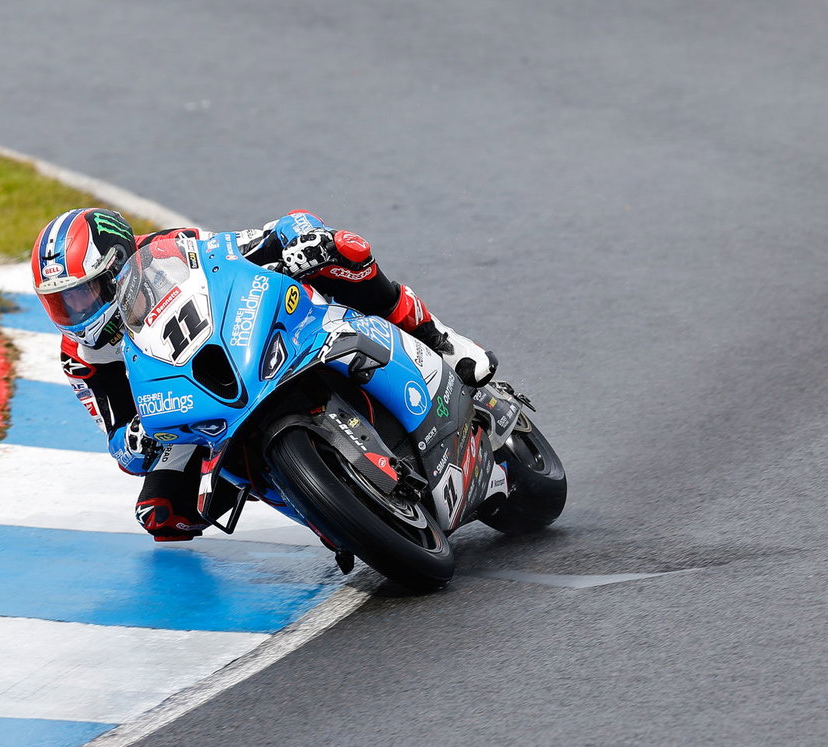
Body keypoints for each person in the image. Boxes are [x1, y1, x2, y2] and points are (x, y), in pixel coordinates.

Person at [30, 207, 497, 542]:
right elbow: (116, 441)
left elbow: (258, 241)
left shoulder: (169, 251)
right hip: (186, 402)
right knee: (161, 515)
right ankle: (300, 495)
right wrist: (135, 441)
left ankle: (439, 339)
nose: (75, 313)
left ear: (117, 270)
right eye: (60, 303)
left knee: (341, 253)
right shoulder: (81, 357)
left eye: (82, 295)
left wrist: (296, 239)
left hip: (244, 341)